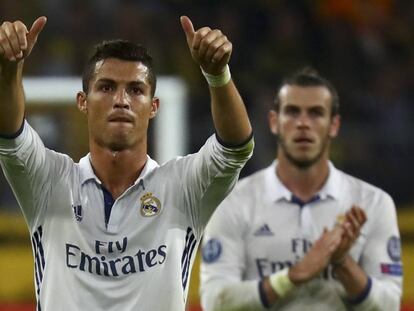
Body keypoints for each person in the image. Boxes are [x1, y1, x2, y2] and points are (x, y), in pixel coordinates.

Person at [0, 15, 254, 310]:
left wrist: (217, 75)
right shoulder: (49, 181)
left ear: (154, 106)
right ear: (83, 101)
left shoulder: (182, 187)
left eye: (135, 90)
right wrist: (9, 69)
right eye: (107, 87)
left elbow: (235, 148)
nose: (121, 100)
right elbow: (10, 136)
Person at [200, 68, 402, 311]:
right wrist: (292, 276)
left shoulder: (373, 203)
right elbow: (215, 301)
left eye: (316, 113)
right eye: (292, 112)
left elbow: (390, 304)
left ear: (334, 125)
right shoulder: (234, 202)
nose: (303, 123)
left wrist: (342, 263)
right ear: (274, 122)